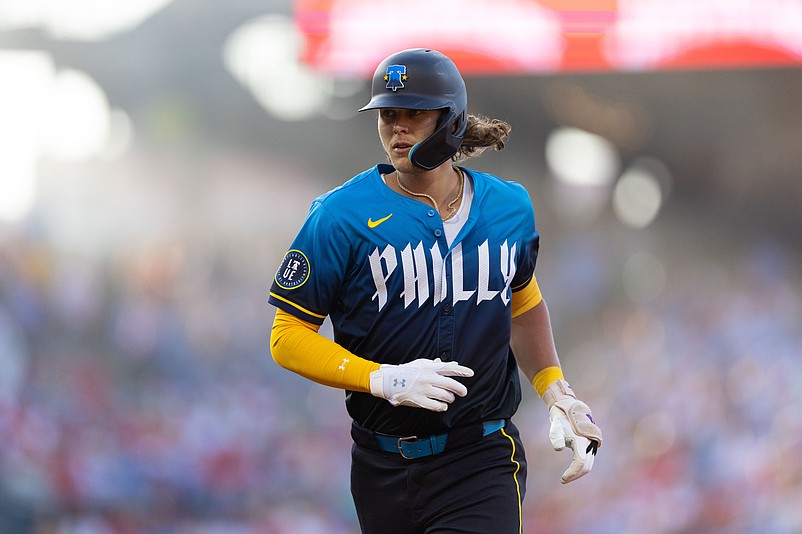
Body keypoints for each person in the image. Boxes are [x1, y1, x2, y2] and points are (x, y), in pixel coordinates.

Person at [268, 48, 602, 534]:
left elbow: (523, 302)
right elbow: (285, 335)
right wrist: (384, 379)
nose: (397, 128)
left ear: (450, 119)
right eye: (388, 115)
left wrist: (558, 393)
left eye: (415, 114)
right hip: (381, 465)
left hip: (480, 457)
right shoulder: (338, 216)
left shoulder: (509, 207)